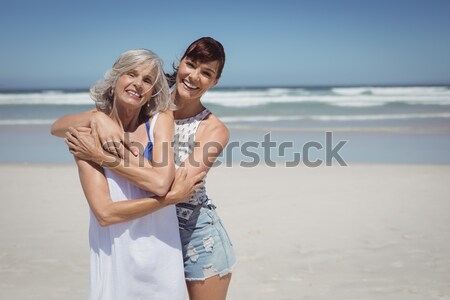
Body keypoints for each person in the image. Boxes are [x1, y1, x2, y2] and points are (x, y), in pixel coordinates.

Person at [52, 37, 236, 300]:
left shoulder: (213, 129)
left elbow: (173, 185)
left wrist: (101, 154)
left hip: (196, 234)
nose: (194, 76)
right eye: (191, 65)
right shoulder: (148, 103)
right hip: (149, 227)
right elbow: (58, 127)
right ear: (180, 62)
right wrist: (97, 117)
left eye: (206, 73)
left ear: (214, 81)